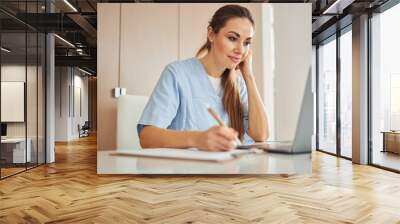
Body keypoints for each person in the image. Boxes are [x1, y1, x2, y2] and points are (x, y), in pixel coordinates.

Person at [137, 4, 269, 151]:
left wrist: (248, 76)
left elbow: (261, 135)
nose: (240, 50)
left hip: (227, 170)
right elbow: (146, 137)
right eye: (232, 38)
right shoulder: (177, 74)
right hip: (184, 171)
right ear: (211, 34)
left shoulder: (238, 84)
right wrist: (198, 139)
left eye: (247, 43)